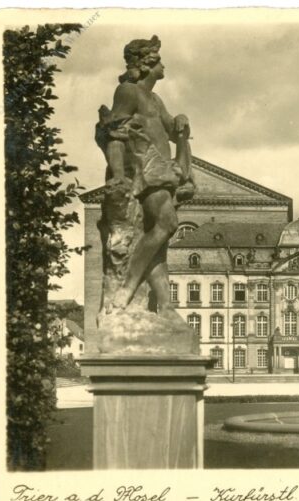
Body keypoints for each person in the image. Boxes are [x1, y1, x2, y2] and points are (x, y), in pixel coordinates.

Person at [95, 35, 194, 318]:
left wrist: (181, 120)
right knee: (166, 223)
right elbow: (114, 131)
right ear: (147, 63)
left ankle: (164, 303)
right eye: (159, 60)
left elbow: (172, 129)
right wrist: (117, 176)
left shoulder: (154, 98)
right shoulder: (128, 91)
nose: (164, 65)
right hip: (144, 170)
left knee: (159, 243)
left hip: (162, 171)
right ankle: (125, 290)